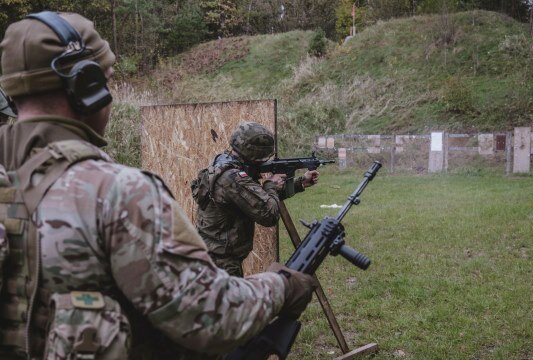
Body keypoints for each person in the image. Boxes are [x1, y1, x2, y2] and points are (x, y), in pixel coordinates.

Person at [0, 11, 316, 360]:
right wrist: (282, 285)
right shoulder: (118, 194)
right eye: (105, 81)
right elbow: (211, 317)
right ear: (85, 86)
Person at [192, 122, 319, 277]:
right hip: (220, 263)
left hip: (213, 255)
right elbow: (269, 214)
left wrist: (300, 183)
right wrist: (270, 185)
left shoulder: (224, 162)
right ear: (255, 154)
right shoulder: (234, 178)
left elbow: (254, 200)